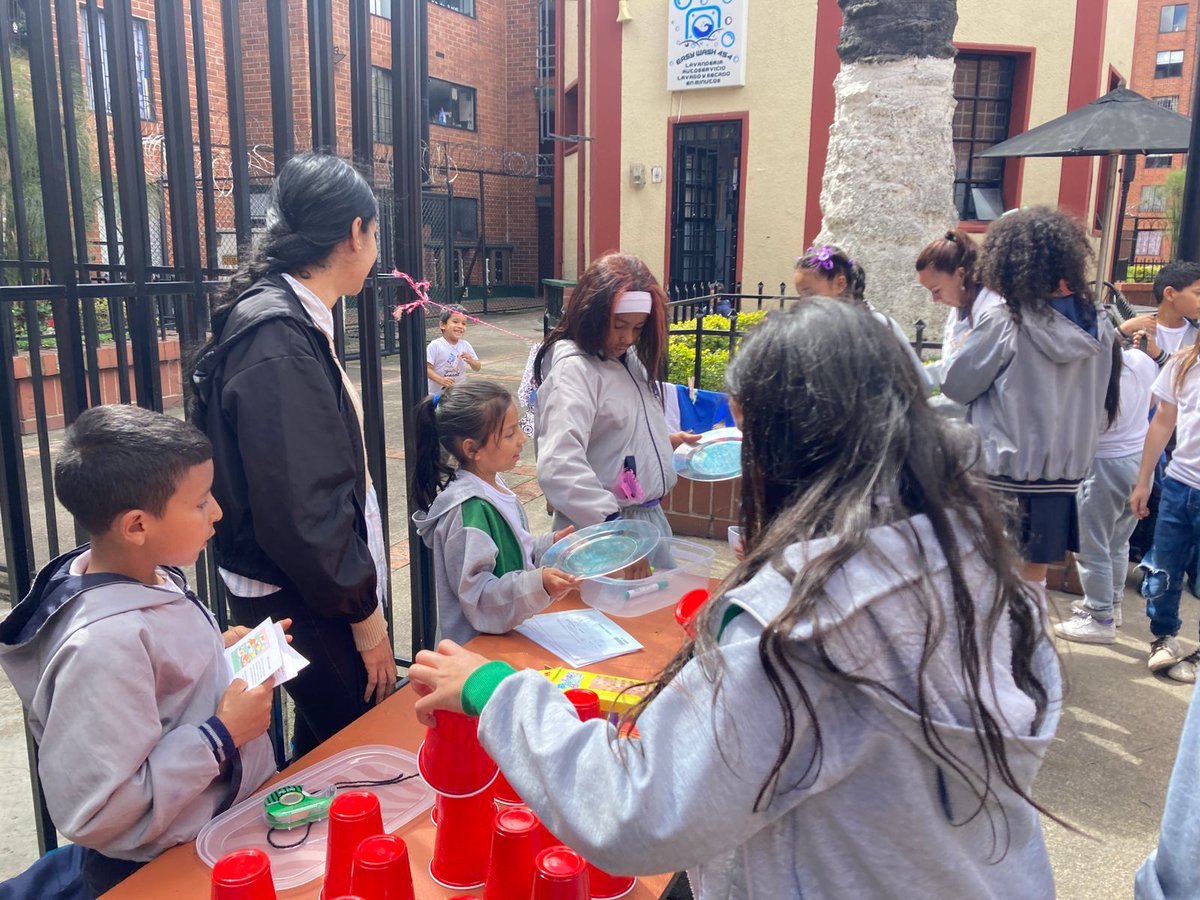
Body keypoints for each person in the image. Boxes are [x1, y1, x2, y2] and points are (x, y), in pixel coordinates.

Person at [408, 300, 1061, 899]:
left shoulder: (809, 634)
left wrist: (497, 692)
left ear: (797, 452)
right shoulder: (980, 569)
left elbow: (637, 809)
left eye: (753, 445)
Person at [0, 406, 279, 896]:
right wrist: (222, 734)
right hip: (166, 869)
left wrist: (218, 650)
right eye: (199, 503)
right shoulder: (103, 645)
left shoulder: (151, 575)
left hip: (217, 832)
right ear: (135, 526)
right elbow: (102, 809)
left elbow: (163, 692)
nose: (216, 512)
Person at [190, 152, 396, 758]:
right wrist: (367, 619)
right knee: (364, 740)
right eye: (376, 233)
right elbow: (303, 508)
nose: (377, 250)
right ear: (355, 233)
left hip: (299, 584)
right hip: (303, 591)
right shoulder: (278, 336)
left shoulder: (285, 320)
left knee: (323, 747)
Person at [942, 206, 1121, 584]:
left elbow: (958, 386)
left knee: (984, 581)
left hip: (999, 471)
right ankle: (1030, 641)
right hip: (1060, 476)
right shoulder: (1101, 327)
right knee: (1032, 581)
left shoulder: (1006, 321)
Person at [532, 253, 696, 545]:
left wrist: (665, 442)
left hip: (641, 523)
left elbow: (613, 436)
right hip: (602, 532)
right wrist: (612, 527)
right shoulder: (574, 371)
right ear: (592, 315)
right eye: (619, 325)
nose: (627, 338)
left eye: (638, 328)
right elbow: (559, 464)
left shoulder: (629, 360)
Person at [411, 380, 577, 644]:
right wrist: (538, 584)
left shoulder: (494, 486)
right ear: (472, 449)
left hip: (507, 640)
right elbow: (479, 597)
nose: (522, 439)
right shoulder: (470, 511)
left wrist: (549, 545)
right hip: (478, 653)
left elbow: (511, 554)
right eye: (510, 434)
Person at [1054, 343, 1157, 643]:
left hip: (1103, 469)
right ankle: (1111, 605)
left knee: (1091, 546)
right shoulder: (1140, 360)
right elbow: (1153, 403)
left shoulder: (1090, 382)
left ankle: (1100, 617)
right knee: (1117, 541)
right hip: (1140, 465)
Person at [1131, 327, 1200, 681]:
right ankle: (1164, 638)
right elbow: (1162, 421)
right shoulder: (1183, 362)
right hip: (1178, 484)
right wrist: (1144, 480)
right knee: (1164, 569)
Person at [794, 244, 933, 393]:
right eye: (800, 295)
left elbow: (920, 382)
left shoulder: (879, 326)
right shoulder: (812, 332)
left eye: (809, 293)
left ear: (840, 284)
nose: (803, 302)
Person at [915, 229, 1005, 381]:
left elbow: (969, 373)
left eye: (936, 290)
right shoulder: (959, 305)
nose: (935, 300)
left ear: (961, 274)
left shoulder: (994, 310)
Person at [1118, 260, 1200, 367]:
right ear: (1170, 294)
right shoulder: (1138, 329)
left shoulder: (1196, 335)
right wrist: (1121, 331)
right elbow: (1100, 357)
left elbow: (1191, 374)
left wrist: (1159, 355)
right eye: (1198, 293)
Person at [426, 305, 481, 395]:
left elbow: (477, 367)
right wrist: (441, 380)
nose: (460, 326)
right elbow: (427, 369)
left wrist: (471, 361)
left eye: (464, 323)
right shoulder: (435, 345)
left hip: (458, 394)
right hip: (436, 395)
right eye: (455, 322)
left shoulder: (465, 345)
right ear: (443, 325)